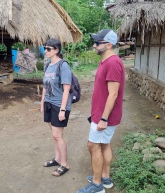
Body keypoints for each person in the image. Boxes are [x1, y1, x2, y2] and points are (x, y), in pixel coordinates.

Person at [77, 29, 125, 193]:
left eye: (98, 43)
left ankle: (97, 185)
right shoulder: (105, 62)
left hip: (105, 116)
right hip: (100, 113)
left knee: (93, 145)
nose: (94, 45)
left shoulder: (112, 63)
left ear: (109, 45)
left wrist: (103, 119)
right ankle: (105, 178)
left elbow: (113, 94)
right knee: (104, 144)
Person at [40, 38, 72, 177]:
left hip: (59, 105)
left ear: (57, 50)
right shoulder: (47, 65)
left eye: (48, 49)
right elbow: (45, 87)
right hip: (48, 103)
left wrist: (63, 109)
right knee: (54, 135)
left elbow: (66, 89)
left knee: (57, 135)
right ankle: (57, 158)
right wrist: (42, 103)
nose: (45, 51)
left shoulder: (63, 65)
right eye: (45, 48)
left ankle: (64, 164)